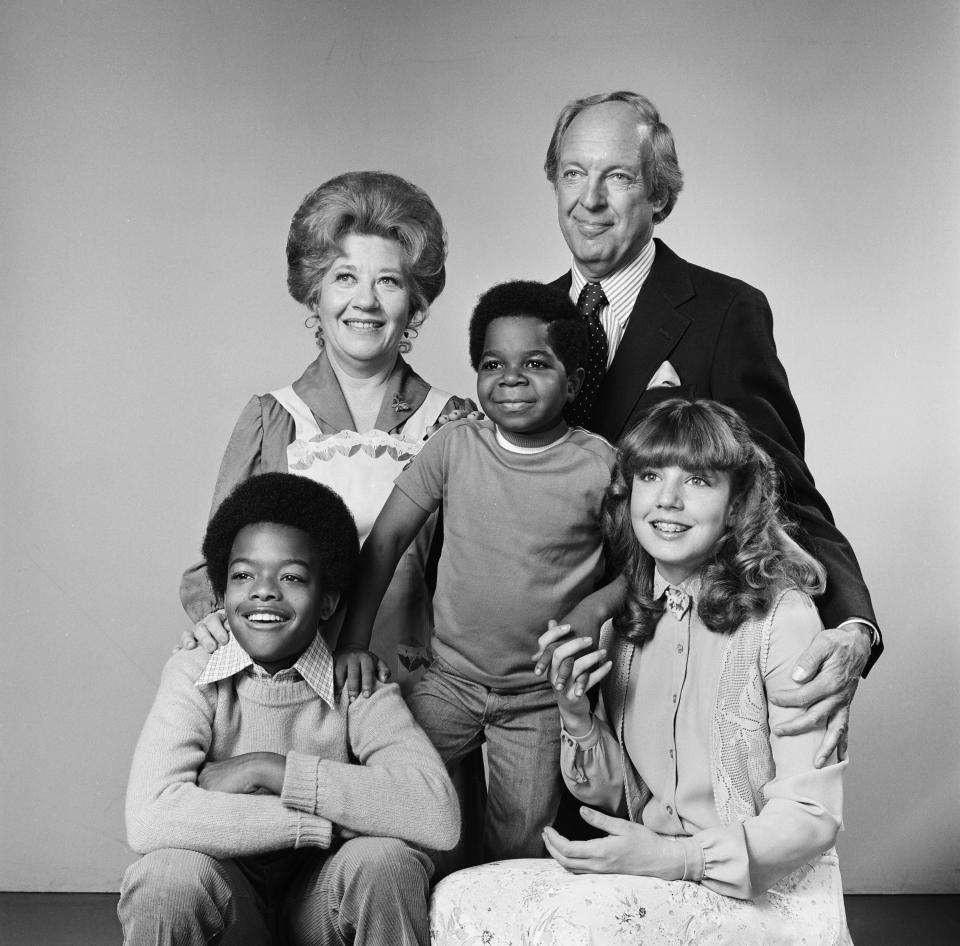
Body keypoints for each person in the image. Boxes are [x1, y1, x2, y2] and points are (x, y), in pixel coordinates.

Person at [430, 399, 851, 946]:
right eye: (651, 475)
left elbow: (811, 814)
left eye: (697, 479)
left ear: (736, 502)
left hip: (765, 890)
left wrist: (677, 859)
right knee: (460, 896)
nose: (667, 500)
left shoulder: (783, 618)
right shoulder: (627, 624)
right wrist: (577, 716)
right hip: (657, 876)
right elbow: (619, 798)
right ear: (629, 492)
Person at [542, 90, 880, 764]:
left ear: (658, 197)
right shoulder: (531, 323)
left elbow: (783, 489)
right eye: (574, 173)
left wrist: (853, 626)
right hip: (551, 658)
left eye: (618, 176)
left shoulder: (726, 312)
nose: (591, 198)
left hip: (674, 653)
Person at [336, 281, 621, 862]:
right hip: (449, 680)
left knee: (519, 843)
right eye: (493, 364)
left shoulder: (598, 464)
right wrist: (353, 640)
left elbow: (642, 570)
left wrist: (595, 607)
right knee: (395, 805)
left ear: (574, 382)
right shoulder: (454, 447)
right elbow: (387, 540)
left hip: (539, 698)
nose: (510, 378)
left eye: (535, 364)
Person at [119, 473, 459, 946]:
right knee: (165, 876)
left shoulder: (356, 682)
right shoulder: (195, 670)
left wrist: (271, 770)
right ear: (222, 594)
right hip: (231, 901)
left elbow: (436, 813)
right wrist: (317, 825)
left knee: (385, 860)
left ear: (328, 601)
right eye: (243, 575)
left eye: (292, 577)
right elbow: (150, 818)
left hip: (322, 904)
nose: (264, 591)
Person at [180, 171, 475, 690]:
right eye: (345, 277)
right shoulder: (271, 420)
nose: (366, 301)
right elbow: (222, 564)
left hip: (426, 693)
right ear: (313, 294)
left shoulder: (454, 422)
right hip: (293, 690)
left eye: (388, 280)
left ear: (415, 301)